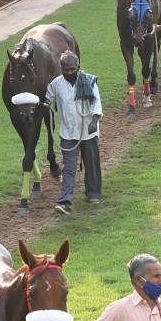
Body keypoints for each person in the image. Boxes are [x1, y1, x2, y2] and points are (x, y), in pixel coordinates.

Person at [45, 50, 103, 215]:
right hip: (68, 133)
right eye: (66, 69)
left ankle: (93, 193)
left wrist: (94, 121)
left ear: (78, 66)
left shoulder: (89, 82)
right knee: (68, 168)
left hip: (88, 132)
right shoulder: (56, 84)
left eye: (72, 69)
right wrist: (44, 105)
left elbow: (97, 104)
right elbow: (48, 99)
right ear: (61, 68)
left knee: (91, 164)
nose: (69, 73)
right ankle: (65, 201)